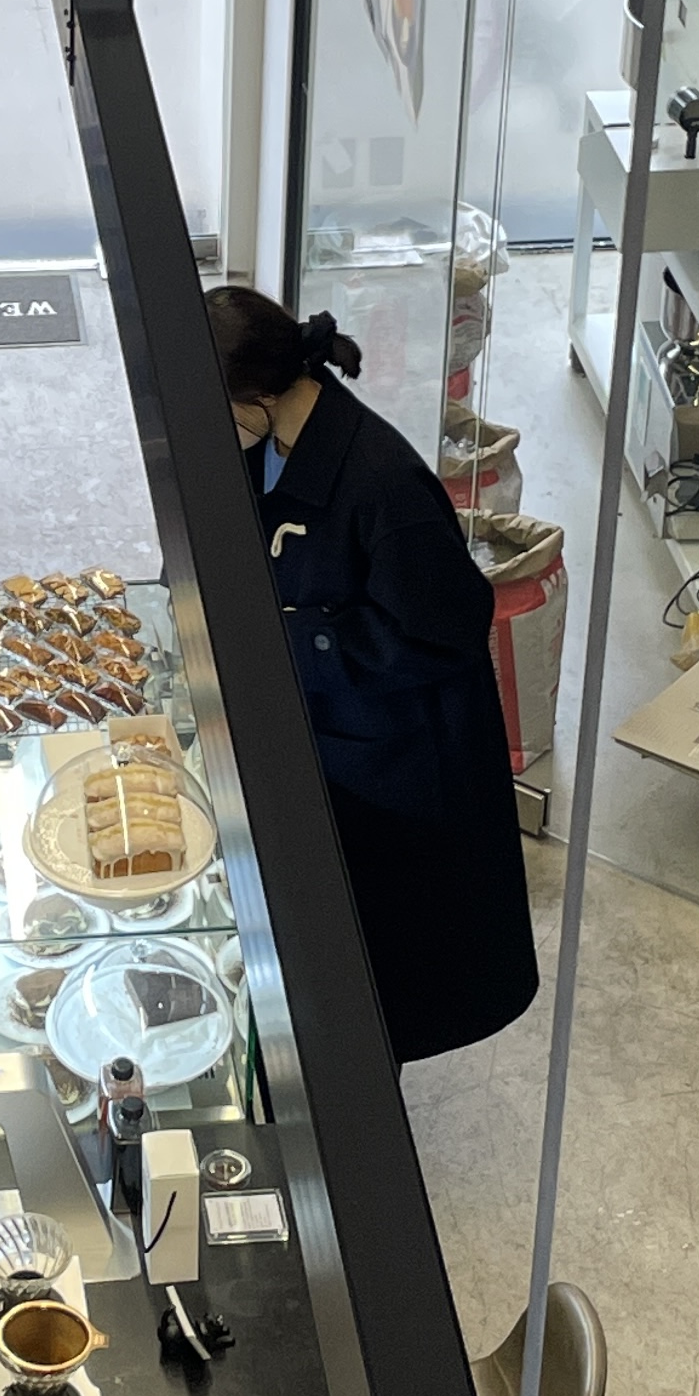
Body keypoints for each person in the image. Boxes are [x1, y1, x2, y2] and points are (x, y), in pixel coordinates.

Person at [206, 285, 538, 1064]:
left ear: (258, 397)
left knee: (396, 964)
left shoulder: (382, 484)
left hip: (403, 763)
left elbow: (446, 629)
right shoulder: (275, 445)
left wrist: (294, 635)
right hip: (338, 734)